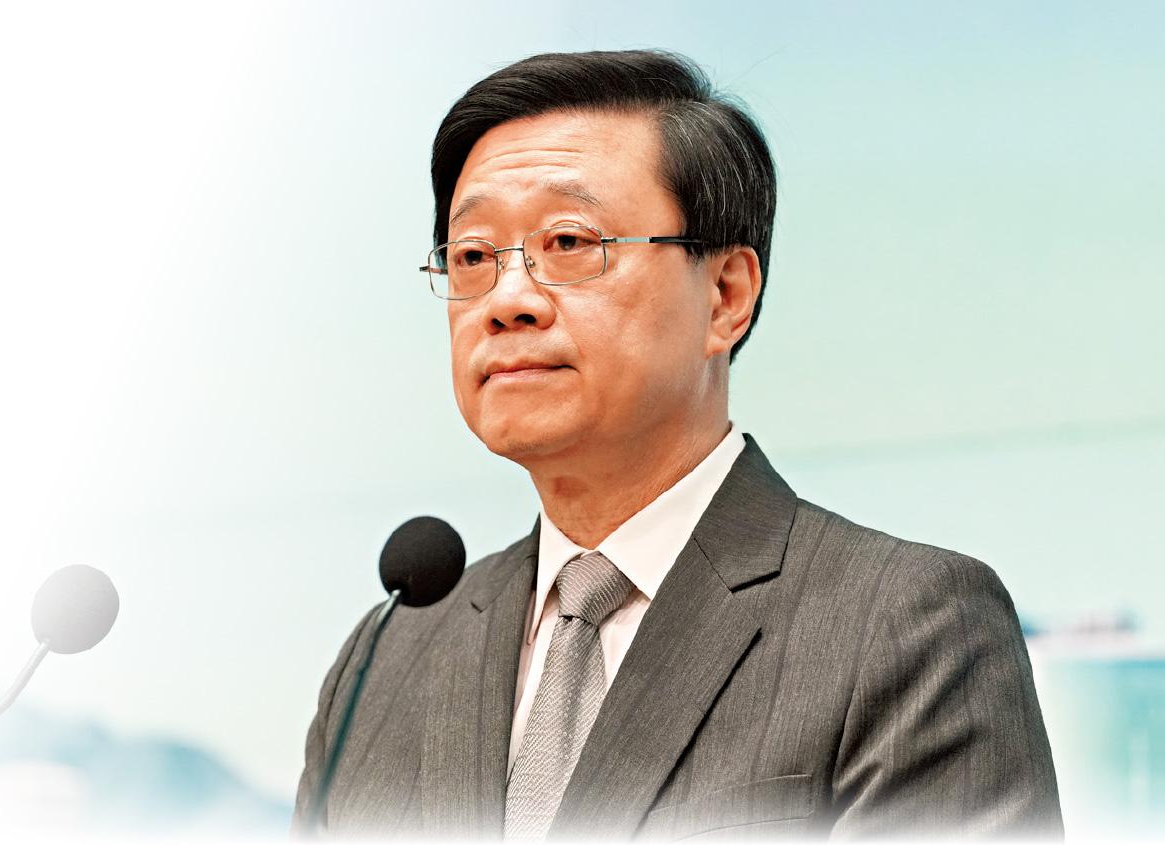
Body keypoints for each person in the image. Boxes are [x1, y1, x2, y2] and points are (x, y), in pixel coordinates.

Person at [291, 49, 1062, 840]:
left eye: (569, 242)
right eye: (473, 257)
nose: (507, 299)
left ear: (726, 295)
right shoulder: (388, 658)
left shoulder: (909, 626)